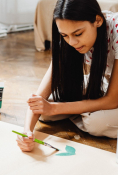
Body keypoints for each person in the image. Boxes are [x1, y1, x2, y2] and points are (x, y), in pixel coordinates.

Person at [17, 0, 118, 152]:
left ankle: (85, 113)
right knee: (44, 112)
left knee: (95, 124)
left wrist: (54, 109)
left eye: (78, 34)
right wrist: (26, 132)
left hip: (113, 95)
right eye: (64, 35)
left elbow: (112, 100)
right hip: (108, 85)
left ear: (97, 20)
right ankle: (85, 111)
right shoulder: (68, 39)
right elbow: (38, 99)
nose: (72, 42)